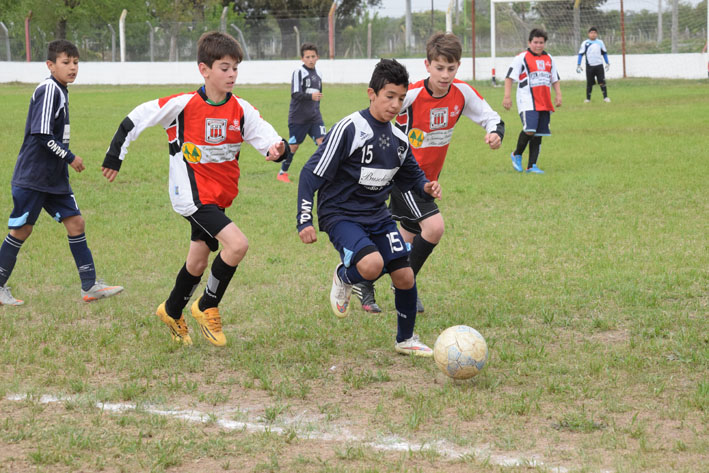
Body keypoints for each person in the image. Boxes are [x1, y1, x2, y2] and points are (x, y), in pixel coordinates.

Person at [102, 32, 289, 347]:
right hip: (190, 195)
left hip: (218, 197)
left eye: (235, 69)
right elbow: (136, 118)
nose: (231, 75)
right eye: (224, 68)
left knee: (198, 262)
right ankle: (206, 305)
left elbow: (268, 137)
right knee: (237, 245)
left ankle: (172, 310)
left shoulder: (241, 110)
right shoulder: (183, 105)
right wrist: (114, 156)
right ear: (204, 69)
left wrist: (278, 149)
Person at [297, 59, 441, 356]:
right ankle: (344, 276)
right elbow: (310, 174)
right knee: (372, 265)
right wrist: (304, 219)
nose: (395, 104)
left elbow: (412, 177)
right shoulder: (350, 129)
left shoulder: (399, 139)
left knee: (404, 276)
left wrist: (426, 186)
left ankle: (406, 340)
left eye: (401, 98)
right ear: (371, 93)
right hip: (340, 214)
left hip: (378, 216)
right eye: (389, 96)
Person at [353, 33, 504, 314]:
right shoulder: (411, 93)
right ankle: (404, 285)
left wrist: (494, 133)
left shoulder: (462, 92)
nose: (445, 75)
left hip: (428, 180)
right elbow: (374, 113)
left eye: (451, 68)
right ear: (427, 65)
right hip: (404, 173)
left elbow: (490, 116)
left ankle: (362, 277)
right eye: (439, 68)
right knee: (434, 228)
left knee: (405, 238)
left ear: (458, 66)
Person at [0, 39, 123, 306]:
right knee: (22, 230)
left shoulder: (61, 90)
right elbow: (41, 133)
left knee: (76, 223)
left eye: (76, 63)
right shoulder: (49, 89)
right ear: (50, 65)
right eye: (66, 62)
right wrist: (70, 157)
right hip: (33, 177)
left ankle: (90, 286)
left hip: (53, 179)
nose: (72, 68)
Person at [503, 28, 562, 174]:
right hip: (527, 100)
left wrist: (558, 94)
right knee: (530, 129)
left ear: (545, 43)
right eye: (535, 42)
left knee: (538, 133)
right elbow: (509, 77)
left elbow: (554, 78)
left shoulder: (549, 58)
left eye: (541, 42)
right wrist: (507, 96)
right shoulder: (521, 58)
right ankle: (517, 154)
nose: (538, 45)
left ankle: (532, 166)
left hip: (544, 101)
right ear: (529, 42)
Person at [277, 42, 326, 183]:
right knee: (293, 146)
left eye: (313, 56)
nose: (310, 59)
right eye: (307, 57)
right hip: (298, 118)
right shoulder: (299, 72)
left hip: (315, 117)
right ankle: (282, 173)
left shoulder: (319, 74)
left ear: (317, 57)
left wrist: (316, 108)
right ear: (302, 59)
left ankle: (322, 174)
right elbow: (295, 94)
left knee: (324, 143)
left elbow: (318, 97)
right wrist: (311, 97)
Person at [577, 27, 610, 103]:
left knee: (602, 81)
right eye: (591, 33)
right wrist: (578, 64)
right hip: (589, 66)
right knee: (589, 83)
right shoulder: (585, 43)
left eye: (595, 33)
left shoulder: (600, 42)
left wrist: (607, 62)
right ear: (588, 34)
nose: (593, 34)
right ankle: (588, 99)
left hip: (599, 66)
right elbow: (580, 54)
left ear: (597, 34)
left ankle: (605, 97)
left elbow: (604, 53)